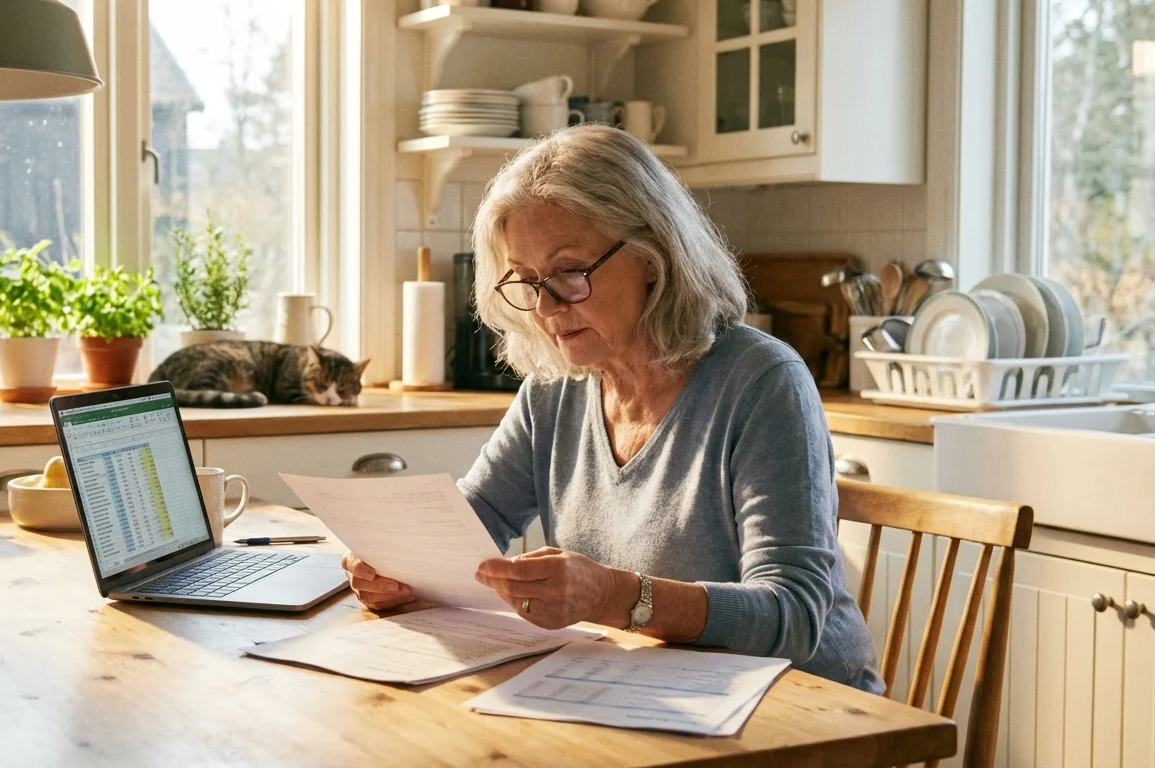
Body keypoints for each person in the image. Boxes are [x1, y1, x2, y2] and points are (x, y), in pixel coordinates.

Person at [341, 124, 882, 694]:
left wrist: (614, 597)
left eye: (570, 272)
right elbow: (470, 524)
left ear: (654, 253)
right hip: (652, 690)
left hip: (806, 712)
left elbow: (792, 616)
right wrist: (397, 565)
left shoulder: (763, 381)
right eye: (526, 281)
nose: (546, 308)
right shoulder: (557, 387)